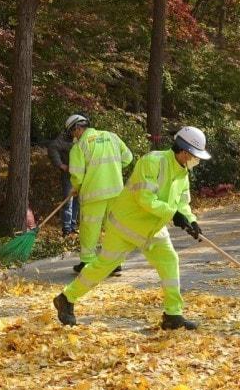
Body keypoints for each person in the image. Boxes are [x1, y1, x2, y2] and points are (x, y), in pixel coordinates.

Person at [54, 126, 210, 330]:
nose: (195, 161)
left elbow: (182, 203)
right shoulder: (152, 162)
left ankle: (173, 315)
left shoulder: (182, 172)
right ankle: (66, 298)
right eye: (194, 156)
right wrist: (173, 214)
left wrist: (191, 220)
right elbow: (145, 199)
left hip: (152, 228)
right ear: (183, 151)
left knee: (170, 260)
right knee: (103, 266)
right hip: (125, 227)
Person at [66, 114, 133, 273]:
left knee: (90, 228)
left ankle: (87, 262)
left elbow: (77, 174)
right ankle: (115, 264)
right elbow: (128, 158)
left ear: (78, 128)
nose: (72, 136)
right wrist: (112, 169)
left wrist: (76, 187)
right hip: (116, 191)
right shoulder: (112, 137)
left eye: (72, 132)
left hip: (93, 194)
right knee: (114, 228)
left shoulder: (80, 146)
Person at [47, 121, 80, 236]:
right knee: (68, 201)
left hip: (80, 175)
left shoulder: (83, 138)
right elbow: (52, 147)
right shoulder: (63, 138)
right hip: (68, 175)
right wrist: (60, 164)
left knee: (77, 201)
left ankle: (73, 226)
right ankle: (66, 228)